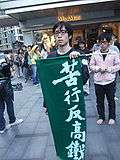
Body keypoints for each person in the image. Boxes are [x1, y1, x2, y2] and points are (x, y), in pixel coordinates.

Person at [43, 21, 89, 113]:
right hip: (57, 100)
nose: (59, 36)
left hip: (73, 100)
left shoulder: (80, 55)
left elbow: (84, 79)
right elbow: (48, 82)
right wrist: (47, 104)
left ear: (70, 36)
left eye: (63, 32)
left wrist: (78, 62)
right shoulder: (51, 57)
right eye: (56, 33)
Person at [90, 32, 120, 125]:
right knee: (99, 101)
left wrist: (109, 69)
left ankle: (112, 117)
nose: (102, 44)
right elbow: (91, 65)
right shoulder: (95, 53)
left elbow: (118, 65)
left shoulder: (114, 53)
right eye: (101, 42)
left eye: (105, 42)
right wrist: (98, 69)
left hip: (110, 80)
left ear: (109, 43)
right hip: (98, 81)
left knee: (111, 100)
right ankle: (101, 117)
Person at [0, 53, 23, 134]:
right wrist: (9, 74)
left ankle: (2, 127)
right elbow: (5, 66)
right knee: (9, 102)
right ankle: (12, 120)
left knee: (0, 105)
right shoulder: (1, 55)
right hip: (4, 84)